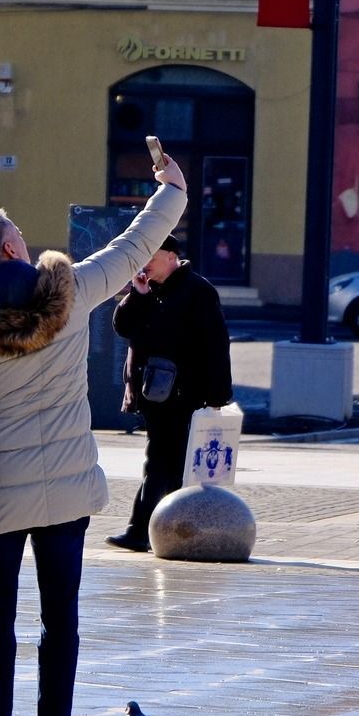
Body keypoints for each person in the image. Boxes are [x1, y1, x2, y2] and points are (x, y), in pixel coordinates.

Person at [0, 148, 187, 716]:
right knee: (60, 617)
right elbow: (134, 244)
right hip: (67, 494)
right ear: (10, 249)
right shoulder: (72, 292)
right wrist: (171, 188)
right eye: (18, 237)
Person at [107, 234, 234, 552]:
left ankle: (149, 531)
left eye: (152, 254)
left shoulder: (197, 291)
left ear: (172, 256)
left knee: (164, 462)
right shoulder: (148, 289)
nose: (145, 261)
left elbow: (216, 345)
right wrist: (138, 295)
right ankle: (165, 531)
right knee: (166, 462)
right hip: (154, 393)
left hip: (182, 394)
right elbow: (123, 327)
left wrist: (218, 396)